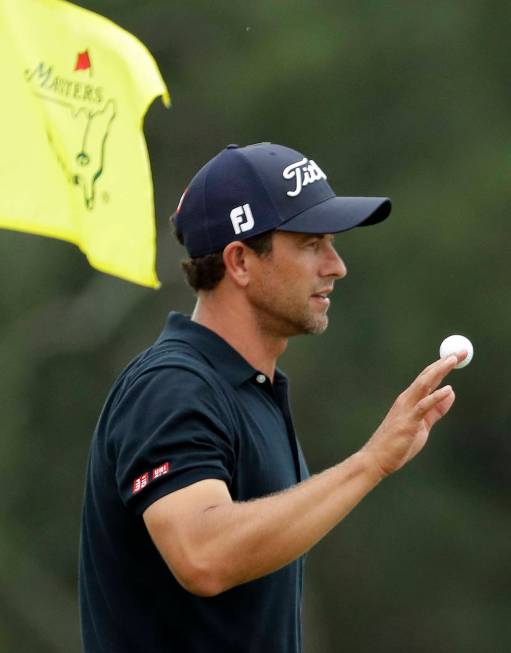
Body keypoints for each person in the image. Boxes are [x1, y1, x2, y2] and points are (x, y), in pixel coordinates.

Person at [79, 142, 465, 653]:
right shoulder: (172, 385)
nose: (336, 266)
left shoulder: (252, 391)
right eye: (311, 244)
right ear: (239, 262)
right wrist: (370, 463)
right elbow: (203, 554)